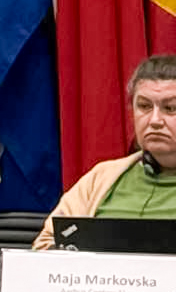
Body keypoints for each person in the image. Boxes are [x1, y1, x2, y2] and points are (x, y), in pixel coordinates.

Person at [34, 54, 176, 248]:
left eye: (170, 108)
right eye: (144, 106)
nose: (155, 120)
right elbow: (46, 243)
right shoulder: (102, 177)